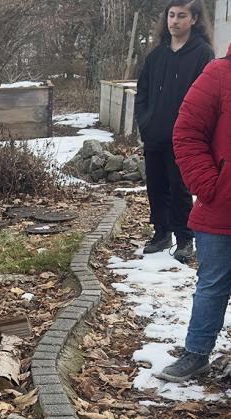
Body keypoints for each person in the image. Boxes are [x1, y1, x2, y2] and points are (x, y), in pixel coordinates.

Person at [158, 42, 230, 382]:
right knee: (213, 284)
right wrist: (208, 184)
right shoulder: (219, 74)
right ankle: (196, 354)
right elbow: (187, 132)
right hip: (221, 206)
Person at [134, 0, 214, 263]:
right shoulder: (157, 55)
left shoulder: (202, 54)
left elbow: (206, 98)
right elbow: (142, 92)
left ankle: (184, 238)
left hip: (184, 139)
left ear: (194, 19)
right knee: (156, 187)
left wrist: (194, 132)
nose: (174, 21)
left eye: (181, 16)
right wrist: (145, 122)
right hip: (154, 135)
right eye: (171, 15)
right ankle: (161, 234)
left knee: (180, 189)